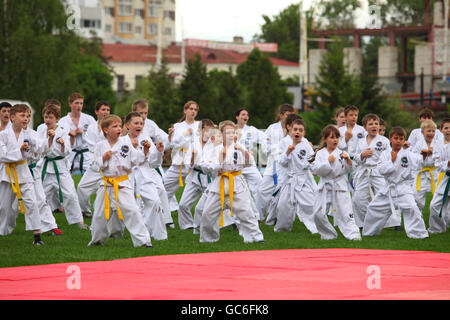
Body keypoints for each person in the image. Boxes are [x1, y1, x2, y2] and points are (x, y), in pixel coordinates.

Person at [88, 114, 153, 248]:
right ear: (106, 130)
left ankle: (143, 241)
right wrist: (104, 158)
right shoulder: (100, 146)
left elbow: (138, 159)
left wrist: (145, 151)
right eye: (115, 126)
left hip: (122, 184)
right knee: (100, 216)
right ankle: (97, 241)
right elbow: (94, 166)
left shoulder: (126, 144)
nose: (119, 129)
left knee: (133, 211)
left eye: (119, 126)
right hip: (105, 185)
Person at [200, 120, 264, 244]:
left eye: (233, 132)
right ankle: (209, 239)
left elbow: (249, 162)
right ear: (222, 134)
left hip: (237, 183)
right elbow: (204, 166)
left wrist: (243, 151)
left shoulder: (238, 146)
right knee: (208, 214)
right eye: (228, 132)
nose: (231, 135)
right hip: (219, 182)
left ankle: (255, 237)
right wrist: (219, 161)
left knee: (246, 212)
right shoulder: (214, 148)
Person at [363, 127, 429, 239]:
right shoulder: (385, 154)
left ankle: (419, 234)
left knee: (412, 208)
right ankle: (370, 233)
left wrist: (424, 156)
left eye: (401, 138)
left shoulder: (408, 154)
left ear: (404, 141)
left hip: (403, 189)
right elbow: (381, 170)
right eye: (396, 138)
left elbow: (419, 161)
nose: (398, 141)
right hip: (388, 189)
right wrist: (391, 161)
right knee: (373, 208)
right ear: (390, 139)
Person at [0, 104, 44, 245]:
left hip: (24, 173)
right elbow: (3, 156)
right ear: (13, 118)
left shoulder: (30, 134)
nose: (26, 119)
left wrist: (33, 148)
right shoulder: (3, 135)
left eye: (28, 116)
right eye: (22, 116)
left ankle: (37, 236)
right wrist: (20, 151)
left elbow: (39, 151)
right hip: (7, 174)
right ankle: (4, 232)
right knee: (4, 207)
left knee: (32, 203)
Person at [40, 104, 88, 230]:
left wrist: (62, 145)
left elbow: (67, 150)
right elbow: (40, 149)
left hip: (60, 168)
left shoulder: (62, 132)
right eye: (46, 117)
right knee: (42, 196)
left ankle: (78, 221)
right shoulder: (40, 130)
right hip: (45, 167)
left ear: (57, 118)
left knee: (70, 194)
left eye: (50, 117)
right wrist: (49, 139)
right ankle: (44, 222)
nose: (48, 120)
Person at [312, 125, 361, 241]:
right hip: (325, 186)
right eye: (331, 137)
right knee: (317, 213)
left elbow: (349, 170)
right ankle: (328, 235)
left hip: (340, 186)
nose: (335, 140)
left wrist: (348, 161)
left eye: (337, 137)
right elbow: (317, 171)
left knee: (346, 213)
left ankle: (353, 234)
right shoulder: (320, 154)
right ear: (325, 139)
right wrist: (327, 162)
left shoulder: (343, 153)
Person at [352, 113, 401, 230]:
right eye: (371, 124)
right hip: (364, 172)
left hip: (379, 173)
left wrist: (384, 166)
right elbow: (355, 157)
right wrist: (362, 155)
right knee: (357, 199)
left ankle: (396, 222)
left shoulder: (384, 141)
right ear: (365, 127)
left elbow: (390, 157)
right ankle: (363, 223)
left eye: (376, 124)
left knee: (387, 196)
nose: (374, 126)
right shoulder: (360, 141)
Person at [126, 112, 168, 240]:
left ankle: (157, 234)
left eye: (141, 123)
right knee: (121, 208)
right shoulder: (122, 140)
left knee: (155, 201)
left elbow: (154, 163)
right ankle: (112, 232)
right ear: (128, 125)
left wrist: (159, 152)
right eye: (136, 123)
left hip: (145, 176)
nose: (139, 125)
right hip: (128, 177)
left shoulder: (146, 139)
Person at [275, 118, 318, 233]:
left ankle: (317, 228)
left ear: (304, 133)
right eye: (295, 129)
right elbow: (282, 163)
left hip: (303, 179)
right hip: (290, 180)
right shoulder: (286, 144)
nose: (297, 132)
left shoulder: (306, 145)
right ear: (290, 131)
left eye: (300, 130)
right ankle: (282, 229)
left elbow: (312, 162)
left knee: (309, 204)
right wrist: (288, 152)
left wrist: (316, 161)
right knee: (283, 205)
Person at [163, 101, 200, 228]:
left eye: (195, 109)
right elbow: (173, 144)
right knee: (162, 189)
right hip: (178, 164)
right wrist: (184, 135)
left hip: (196, 165)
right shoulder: (178, 126)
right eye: (190, 109)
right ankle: (166, 220)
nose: (193, 111)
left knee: (211, 191)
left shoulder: (200, 125)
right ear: (185, 111)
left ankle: (230, 220)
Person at [257, 104, 294, 221]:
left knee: (283, 194)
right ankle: (259, 217)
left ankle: (276, 219)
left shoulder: (294, 129)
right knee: (262, 191)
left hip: (289, 166)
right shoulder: (272, 128)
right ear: (281, 115)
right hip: (273, 165)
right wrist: (278, 148)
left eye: (291, 115)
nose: (289, 117)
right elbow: (264, 148)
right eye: (287, 115)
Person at [177, 119, 215, 230]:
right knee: (183, 205)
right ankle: (187, 225)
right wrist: (193, 157)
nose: (208, 134)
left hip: (209, 178)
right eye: (206, 130)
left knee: (210, 206)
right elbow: (188, 164)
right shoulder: (192, 144)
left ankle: (230, 222)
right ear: (200, 130)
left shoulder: (214, 144)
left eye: (211, 131)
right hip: (194, 177)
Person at [76, 100, 111, 218]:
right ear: (96, 112)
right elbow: (90, 146)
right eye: (103, 110)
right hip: (96, 163)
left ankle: (112, 213)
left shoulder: (113, 126)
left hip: (110, 164)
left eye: (107, 110)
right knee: (81, 188)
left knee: (107, 191)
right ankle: (85, 211)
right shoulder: (91, 128)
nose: (106, 112)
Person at [234, 108, 266, 219]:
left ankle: (258, 216)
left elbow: (265, 138)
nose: (245, 116)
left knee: (260, 186)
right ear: (237, 117)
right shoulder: (231, 129)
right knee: (235, 191)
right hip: (235, 165)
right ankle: (235, 219)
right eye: (243, 114)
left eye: (247, 114)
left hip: (249, 163)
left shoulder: (252, 130)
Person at [58, 93, 96, 175]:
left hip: (86, 155)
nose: (79, 106)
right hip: (70, 154)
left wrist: (83, 132)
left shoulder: (89, 119)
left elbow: (95, 137)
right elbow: (60, 138)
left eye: (81, 103)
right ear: (70, 104)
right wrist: (71, 134)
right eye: (76, 103)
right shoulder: (63, 121)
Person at [411, 119, 441, 212]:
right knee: (417, 198)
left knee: (438, 198)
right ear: (422, 132)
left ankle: (438, 221)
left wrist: (433, 152)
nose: (431, 133)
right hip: (421, 173)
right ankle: (417, 221)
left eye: (433, 131)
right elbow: (413, 159)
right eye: (428, 131)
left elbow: (441, 158)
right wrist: (423, 156)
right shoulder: (419, 144)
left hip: (434, 173)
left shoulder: (438, 144)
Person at [427, 118, 450, 233]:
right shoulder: (438, 146)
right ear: (441, 130)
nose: (449, 130)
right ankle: (437, 229)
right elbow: (438, 165)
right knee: (434, 205)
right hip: (446, 178)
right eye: (446, 128)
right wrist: (448, 164)